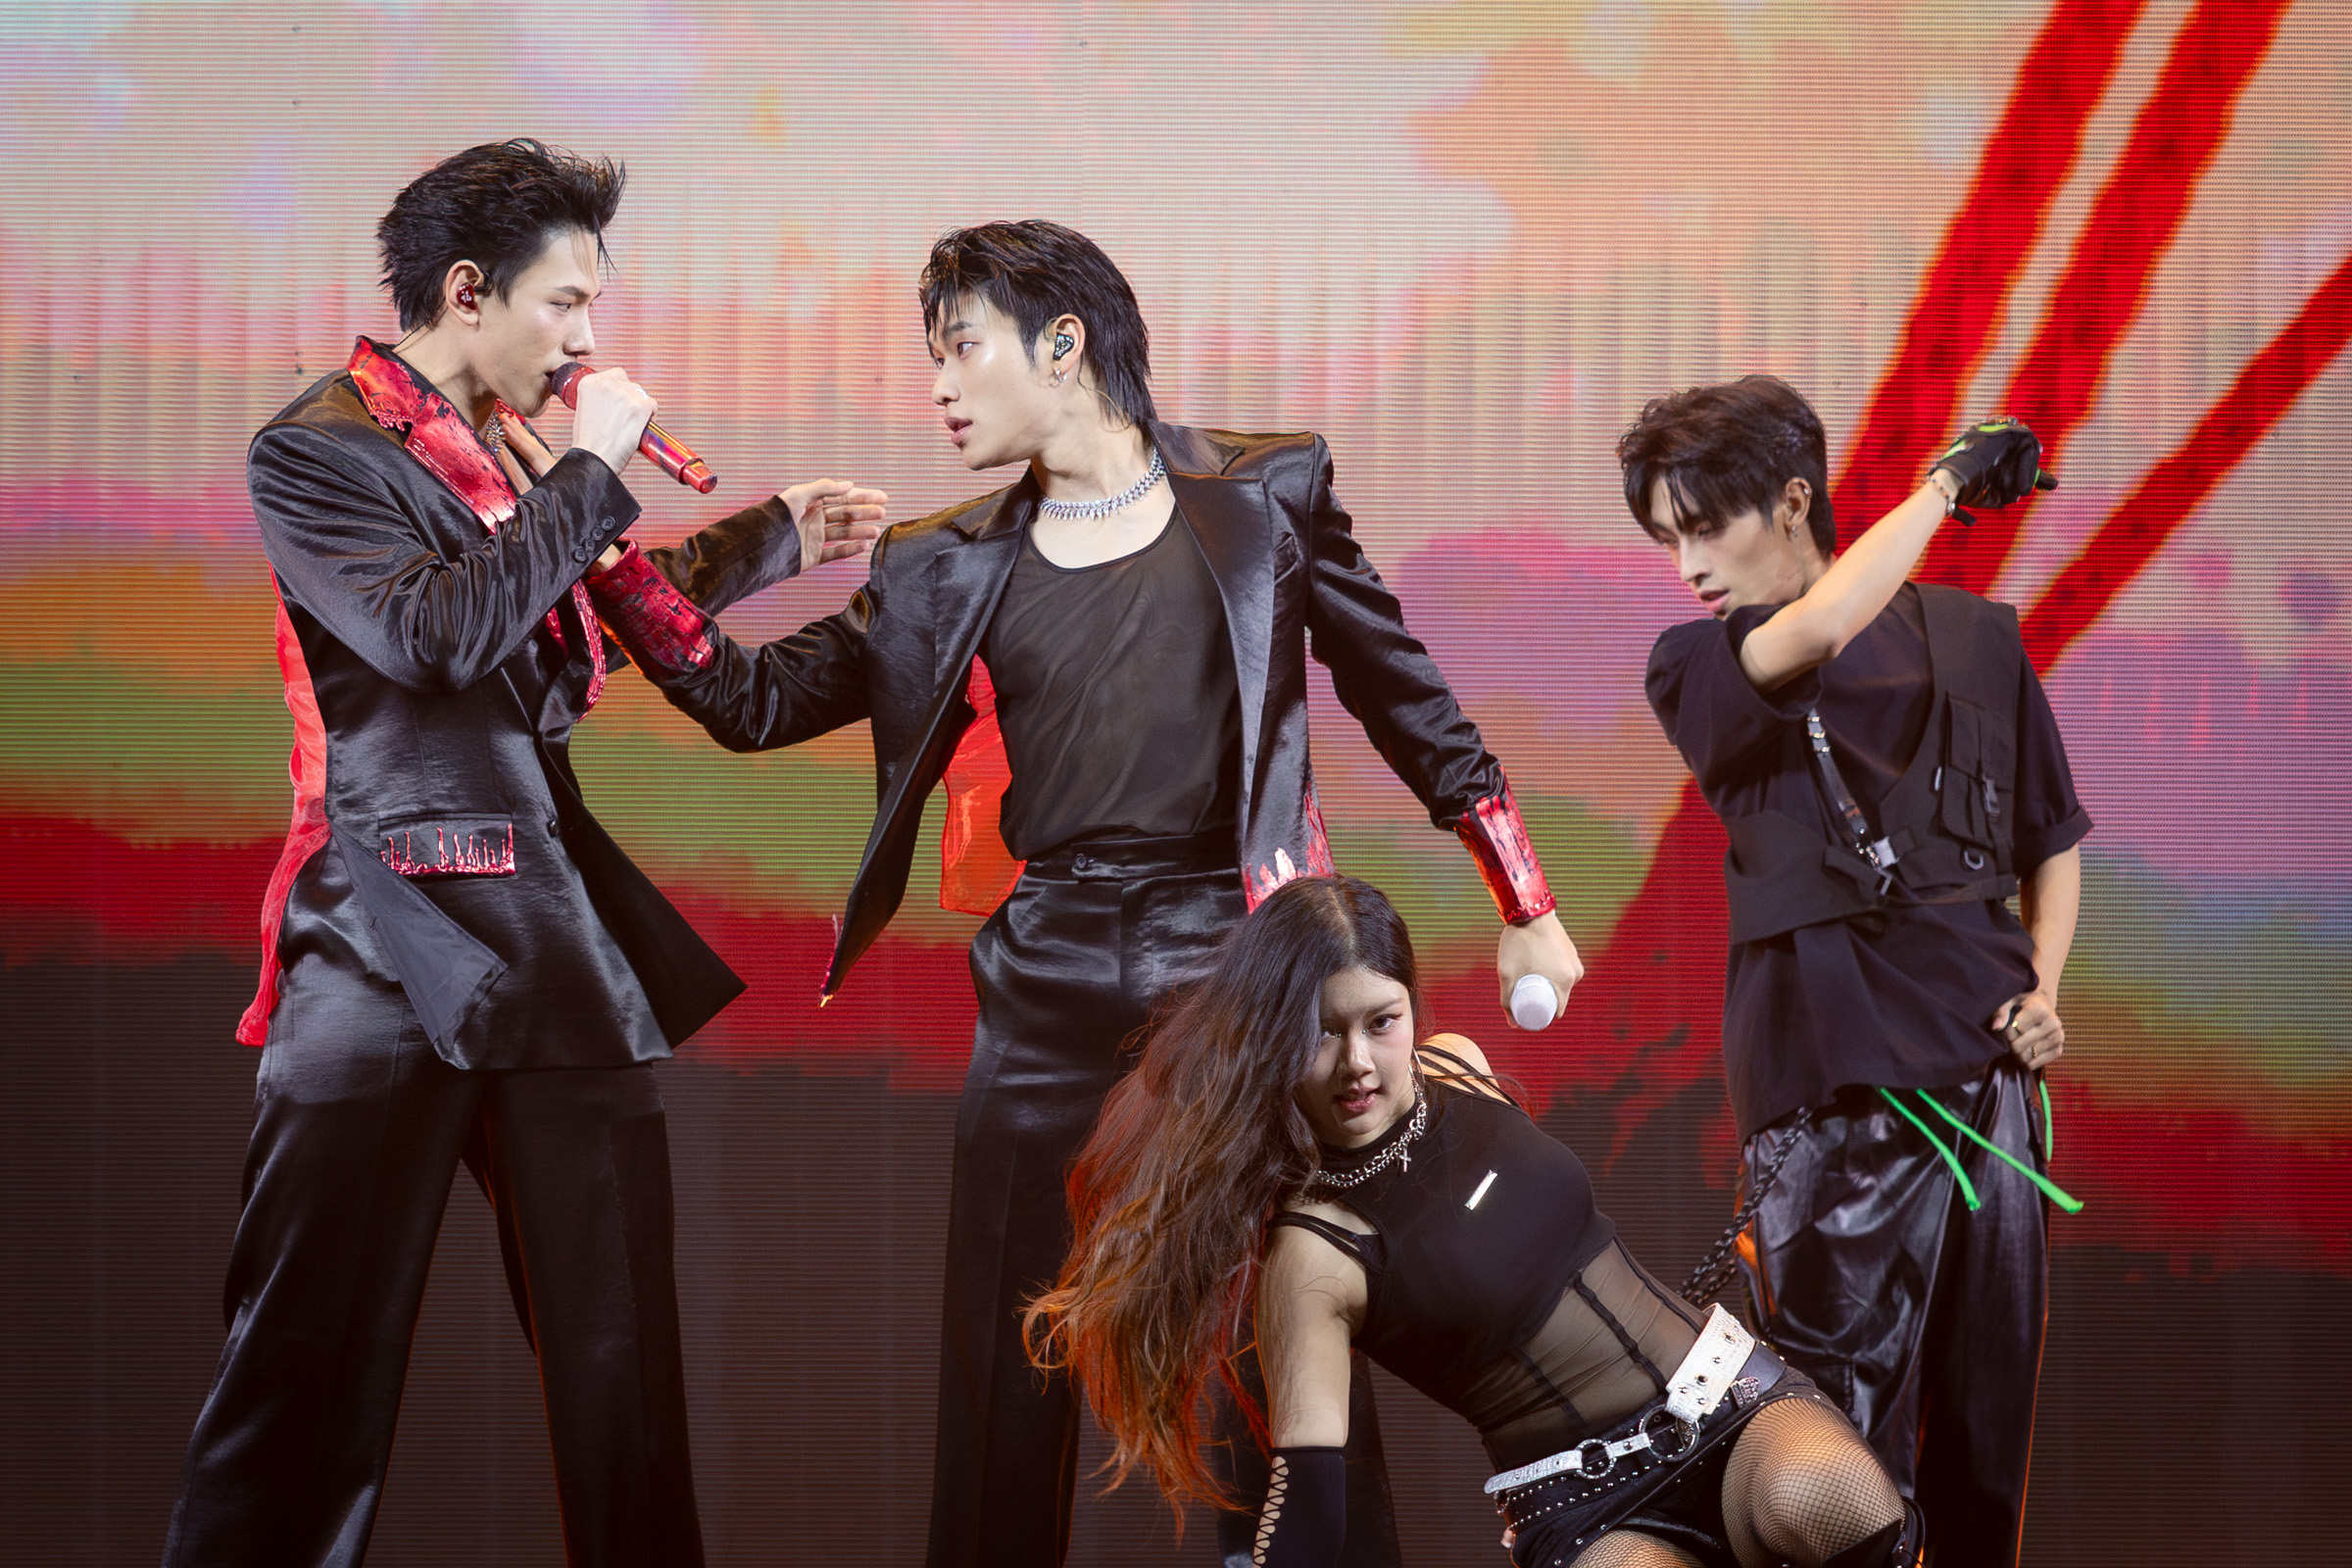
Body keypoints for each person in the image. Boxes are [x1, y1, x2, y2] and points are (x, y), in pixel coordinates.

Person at [585, 219, 1586, 1568]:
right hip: (1042, 987)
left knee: (1273, 1367)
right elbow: (747, 699)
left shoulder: (1265, 493)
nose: (939, 389)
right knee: (1007, 1373)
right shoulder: (939, 562)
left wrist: (1524, 894)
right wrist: (603, 548)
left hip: (1235, 986)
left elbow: (1405, 694)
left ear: (1063, 345)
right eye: (933, 360)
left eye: (962, 351)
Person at [164, 138, 884, 1568]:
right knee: (301, 1368)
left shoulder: (509, 452)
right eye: (565, 303)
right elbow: (441, 634)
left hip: (545, 938)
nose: (586, 338)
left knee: (622, 1367)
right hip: (380, 943)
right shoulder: (315, 453)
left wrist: (770, 538)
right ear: (467, 291)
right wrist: (597, 467)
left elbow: (554, 612)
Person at [1028, 874, 1922, 1568]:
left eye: (1381, 1022)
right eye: (1321, 1033)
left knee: (1837, 1501)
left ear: (1410, 1009)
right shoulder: (1313, 1252)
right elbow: (1306, 1502)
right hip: (1590, 1505)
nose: (1358, 1062)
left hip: (1728, 1398)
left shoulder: (1458, 1064)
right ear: (1272, 1044)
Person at [1626, 378, 2085, 1567]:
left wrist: (2043, 991)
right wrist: (1947, 483)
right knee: (1840, 1450)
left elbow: (2051, 841)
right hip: (1834, 1091)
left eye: (1704, 526)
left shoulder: (1980, 640)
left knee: (1988, 1430)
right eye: (1667, 538)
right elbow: (1823, 627)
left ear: (1792, 501)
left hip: (1991, 1087)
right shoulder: (1697, 664)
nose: (1687, 564)